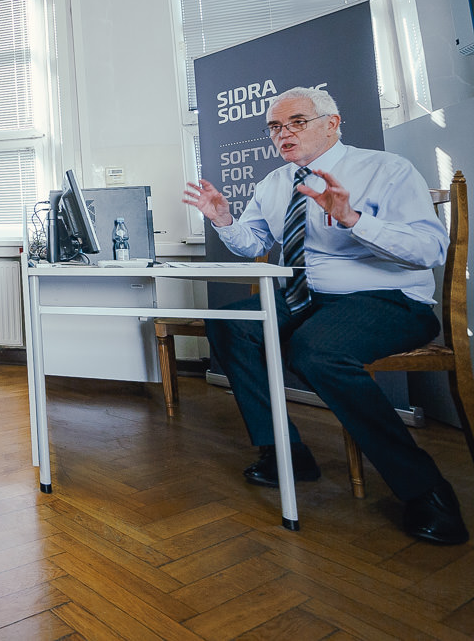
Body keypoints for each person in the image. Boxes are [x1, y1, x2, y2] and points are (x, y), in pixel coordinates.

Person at [183, 86, 466, 545]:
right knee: (230, 323)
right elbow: (255, 245)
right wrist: (223, 220)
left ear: (332, 124)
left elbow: (430, 249)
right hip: (308, 298)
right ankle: (285, 452)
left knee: (316, 351)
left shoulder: (386, 169)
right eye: (275, 127)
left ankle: (426, 490)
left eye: (296, 122)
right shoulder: (273, 184)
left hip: (388, 300)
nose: (283, 134)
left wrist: (355, 220)